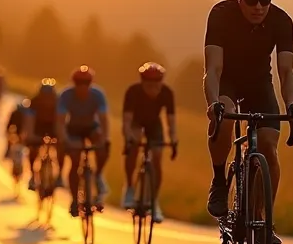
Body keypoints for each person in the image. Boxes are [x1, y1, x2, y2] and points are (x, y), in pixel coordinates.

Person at [203, 0, 293, 244]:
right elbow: (213, 68)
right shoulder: (221, 15)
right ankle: (220, 180)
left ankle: (263, 221)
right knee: (223, 117)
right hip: (227, 81)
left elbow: (286, 72)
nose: (259, 6)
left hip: (260, 83)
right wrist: (213, 104)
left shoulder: (282, 21)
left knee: (270, 147)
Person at [120, 62, 178, 223]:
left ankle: (154, 201)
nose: (153, 89)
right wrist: (128, 139)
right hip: (136, 122)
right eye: (149, 85)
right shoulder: (133, 91)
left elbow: (171, 121)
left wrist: (173, 140)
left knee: (157, 157)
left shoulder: (167, 93)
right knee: (135, 142)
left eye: (156, 85)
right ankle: (130, 188)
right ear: (142, 82)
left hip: (154, 124)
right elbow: (126, 121)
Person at [57, 65, 111, 217]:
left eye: (86, 84)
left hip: (90, 127)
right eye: (79, 84)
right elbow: (60, 123)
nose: (83, 87)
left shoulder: (97, 94)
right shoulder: (66, 95)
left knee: (103, 147)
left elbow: (103, 119)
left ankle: (98, 175)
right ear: (74, 84)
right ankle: (75, 199)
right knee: (75, 160)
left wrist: (105, 140)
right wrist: (66, 140)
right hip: (73, 128)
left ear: (90, 84)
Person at [21, 78, 61, 190]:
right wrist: (29, 136)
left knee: (60, 149)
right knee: (33, 149)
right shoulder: (34, 103)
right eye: (44, 97)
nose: (47, 100)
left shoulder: (58, 103)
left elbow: (61, 122)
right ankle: (33, 176)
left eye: (49, 97)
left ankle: (59, 176)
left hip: (53, 127)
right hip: (37, 127)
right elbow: (29, 121)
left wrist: (61, 137)